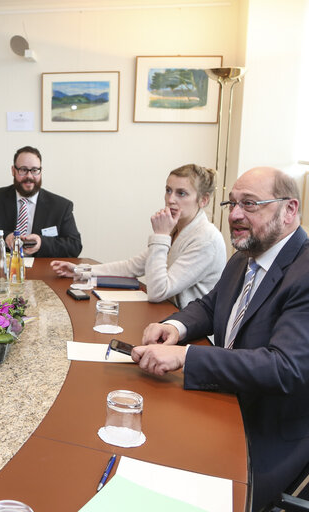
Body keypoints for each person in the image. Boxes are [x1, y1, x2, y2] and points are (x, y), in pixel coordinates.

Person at [132, 167, 309, 511]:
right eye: (232, 204)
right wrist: (176, 327)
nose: (235, 215)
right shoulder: (248, 255)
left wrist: (186, 358)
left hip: (263, 434)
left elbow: (284, 367)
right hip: (224, 404)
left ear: (290, 209)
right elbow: (211, 305)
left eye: (250, 204)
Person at [50, 164, 226, 308]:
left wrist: (161, 235)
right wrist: (80, 270)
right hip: (167, 316)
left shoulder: (206, 239)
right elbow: (132, 267)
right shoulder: (176, 229)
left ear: (203, 200)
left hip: (191, 332)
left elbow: (158, 292)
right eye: (168, 190)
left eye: (181, 193)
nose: (170, 199)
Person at [0, 145, 82, 257]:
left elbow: (74, 246)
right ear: (13, 171)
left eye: (34, 170)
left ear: (41, 171)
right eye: (23, 170)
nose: (29, 176)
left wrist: (42, 243)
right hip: (4, 268)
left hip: (42, 271)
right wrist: (5, 238)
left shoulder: (61, 206)